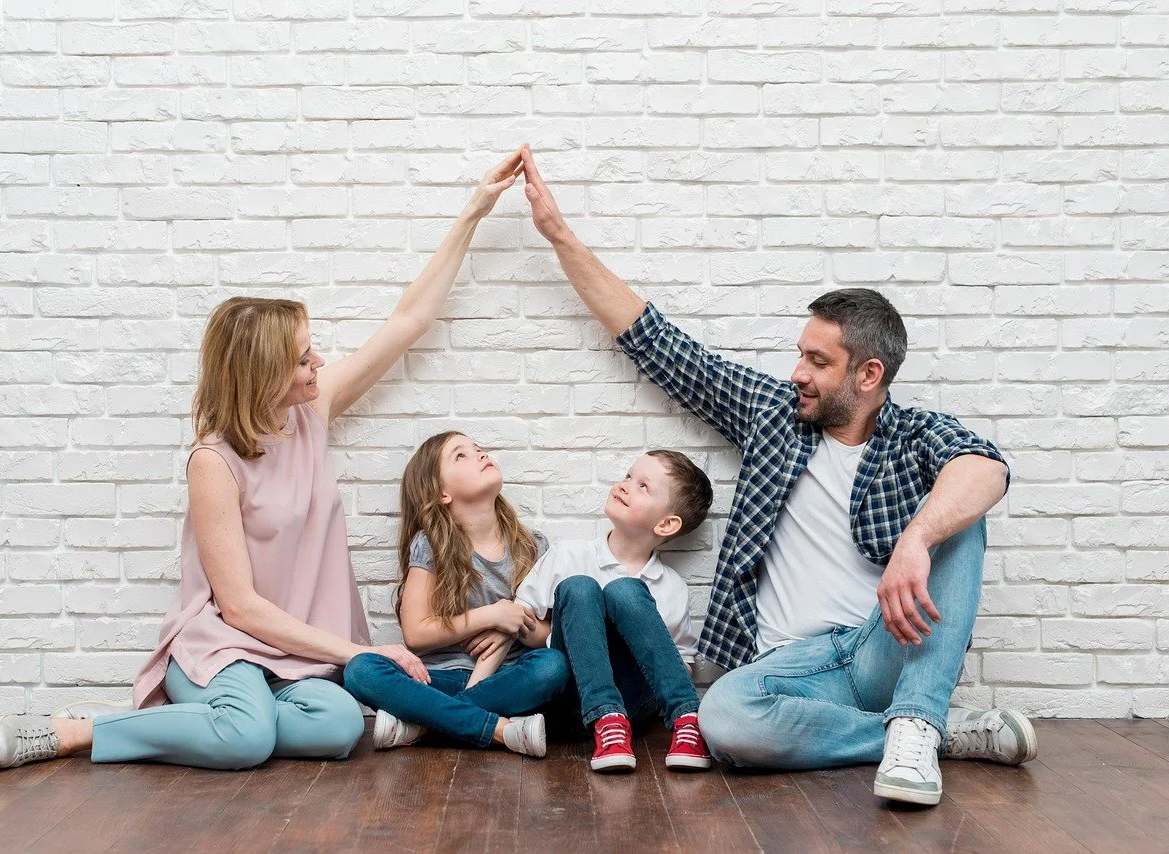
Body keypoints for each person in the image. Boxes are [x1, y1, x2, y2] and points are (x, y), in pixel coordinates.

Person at [518, 145, 1037, 806]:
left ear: (868, 375)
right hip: (788, 669)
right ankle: (925, 732)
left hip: (881, 648)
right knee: (723, 720)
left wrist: (916, 539)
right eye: (800, 354)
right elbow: (661, 344)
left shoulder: (913, 437)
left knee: (962, 519)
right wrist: (559, 236)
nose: (798, 372)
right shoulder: (773, 415)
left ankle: (915, 717)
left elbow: (986, 469)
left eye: (817, 361)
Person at [0, 149, 527, 771]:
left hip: (298, 652)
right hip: (229, 646)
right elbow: (240, 607)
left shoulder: (311, 412)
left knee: (335, 728)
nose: (318, 364)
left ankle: (230, 722)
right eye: (302, 358)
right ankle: (82, 731)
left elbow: (408, 320)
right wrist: (357, 654)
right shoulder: (213, 463)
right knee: (246, 740)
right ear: (262, 373)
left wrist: (473, 212)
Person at [341, 432, 569, 757]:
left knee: (552, 666)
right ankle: (499, 730)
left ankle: (424, 725)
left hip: (506, 678)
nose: (479, 454)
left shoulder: (533, 546)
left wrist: (516, 622)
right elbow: (416, 634)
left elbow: (548, 636)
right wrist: (491, 615)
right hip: (440, 678)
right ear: (441, 493)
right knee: (360, 669)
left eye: (478, 448)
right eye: (461, 456)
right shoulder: (430, 545)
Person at [514, 450, 714, 773]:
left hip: (634, 705)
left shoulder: (671, 587)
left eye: (643, 486)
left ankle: (687, 719)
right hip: (572, 701)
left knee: (625, 591)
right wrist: (571, 635)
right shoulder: (569, 555)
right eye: (627, 477)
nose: (624, 486)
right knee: (580, 587)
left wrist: (644, 648)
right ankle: (606, 718)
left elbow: (684, 663)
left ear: (665, 524)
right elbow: (521, 619)